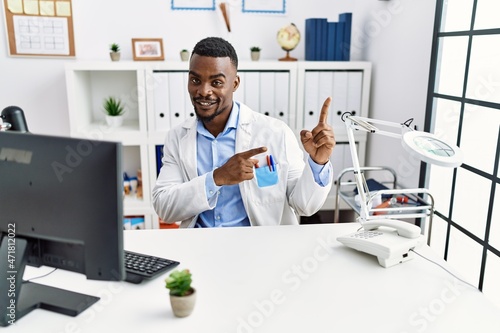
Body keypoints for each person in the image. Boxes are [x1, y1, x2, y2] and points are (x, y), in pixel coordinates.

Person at [152, 37, 336, 228]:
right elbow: (165, 207)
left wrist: (318, 163)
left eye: (216, 82)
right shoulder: (177, 137)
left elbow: (304, 206)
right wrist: (217, 178)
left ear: (235, 83)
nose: (204, 91)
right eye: (195, 80)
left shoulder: (276, 133)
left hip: (258, 246)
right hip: (199, 243)